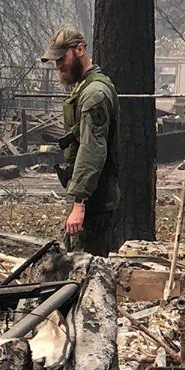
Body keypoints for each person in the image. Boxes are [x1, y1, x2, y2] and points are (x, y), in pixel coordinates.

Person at [41, 27, 120, 256]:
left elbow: (92, 149)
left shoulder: (94, 93)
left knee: (86, 272)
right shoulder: (83, 88)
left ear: (80, 50)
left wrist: (79, 204)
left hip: (95, 203)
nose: (58, 66)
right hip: (91, 200)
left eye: (62, 58)